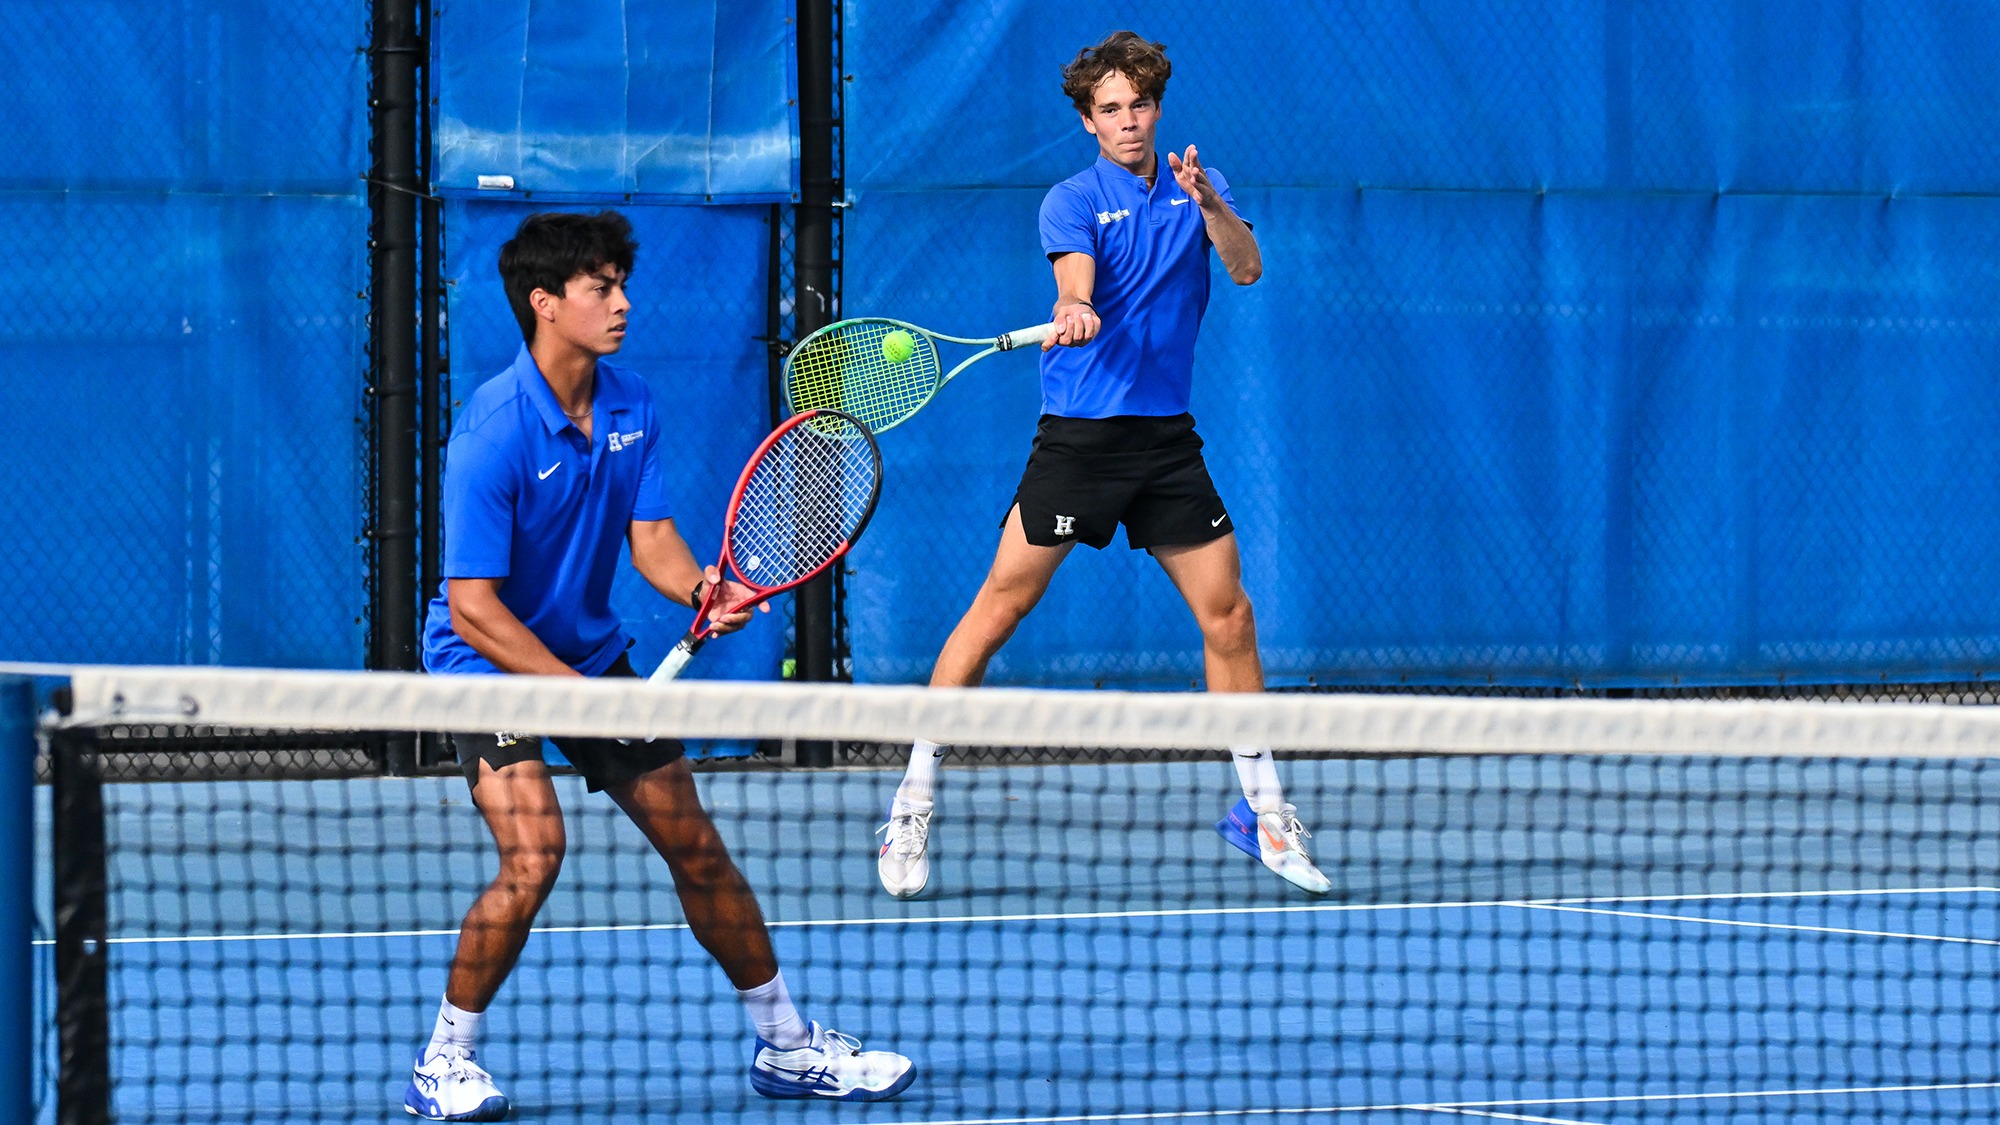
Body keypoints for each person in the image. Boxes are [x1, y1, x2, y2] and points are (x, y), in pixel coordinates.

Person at [405, 210, 913, 1120]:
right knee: (535, 855)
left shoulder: (632, 402)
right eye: (601, 288)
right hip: (487, 663)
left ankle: (788, 1047)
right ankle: (445, 1057)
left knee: (696, 846)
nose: (623, 303)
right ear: (545, 303)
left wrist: (700, 589)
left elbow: (655, 543)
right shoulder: (491, 432)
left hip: (592, 655)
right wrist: (570, 698)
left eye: (621, 284)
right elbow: (475, 606)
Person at [874, 32, 1331, 901]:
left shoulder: (1201, 185)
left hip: (1164, 444)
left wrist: (1210, 207)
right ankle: (913, 795)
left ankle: (1264, 809)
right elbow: (1074, 281)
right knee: (999, 607)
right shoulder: (1071, 200)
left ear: (1157, 108)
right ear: (1088, 121)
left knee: (1229, 616)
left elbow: (1246, 268)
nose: (1129, 122)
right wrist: (1074, 306)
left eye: (1140, 106)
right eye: (1111, 109)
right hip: (1080, 441)